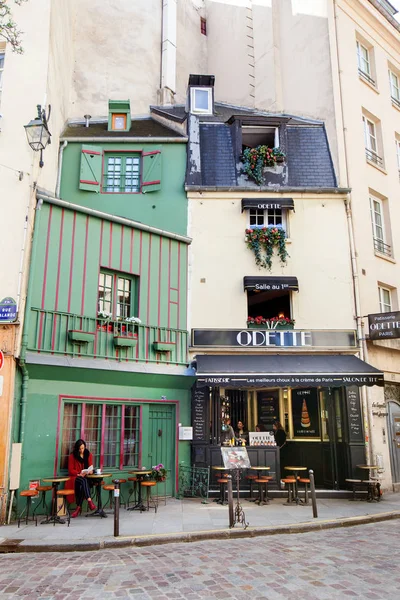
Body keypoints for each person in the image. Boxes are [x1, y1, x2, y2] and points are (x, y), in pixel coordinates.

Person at [67, 439, 97, 518]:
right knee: (84, 481)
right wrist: (78, 473)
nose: (81, 450)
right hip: (75, 477)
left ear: (85, 447)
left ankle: (77, 509)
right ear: (77, 448)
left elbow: (90, 466)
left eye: (83, 448)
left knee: (84, 483)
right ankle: (90, 501)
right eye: (80, 449)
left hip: (85, 477)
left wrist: (90, 471)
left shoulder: (88, 455)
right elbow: (70, 470)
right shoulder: (72, 456)